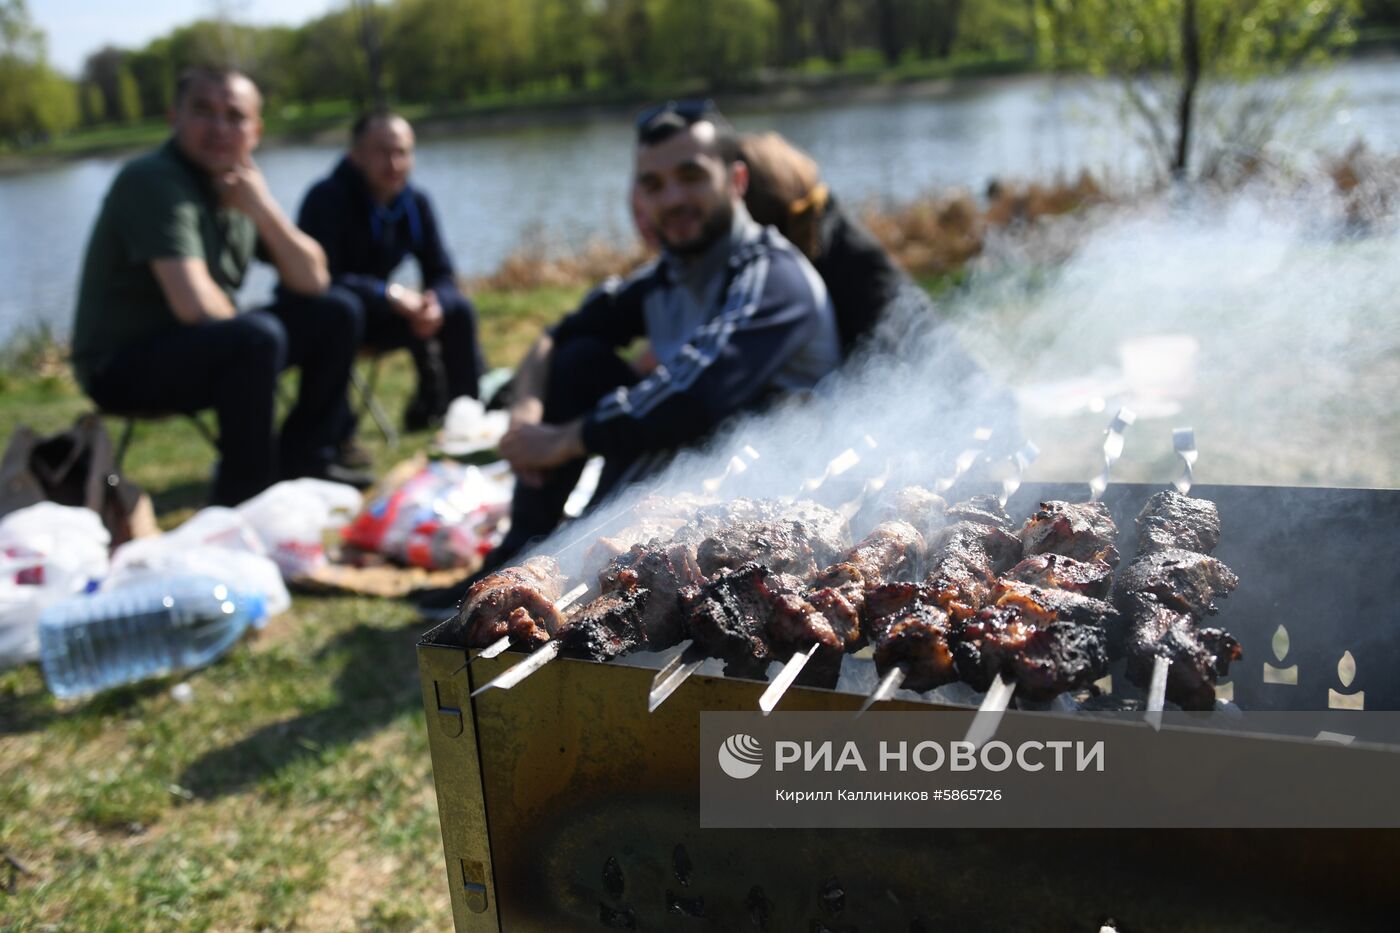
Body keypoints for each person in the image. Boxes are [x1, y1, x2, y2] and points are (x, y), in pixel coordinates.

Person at [419, 101, 841, 613]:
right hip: (697, 466)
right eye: (654, 185)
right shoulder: (668, 277)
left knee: (661, 416)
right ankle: (523, 552)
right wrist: (527, 420)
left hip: (780, 493)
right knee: (578, 360)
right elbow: (555, 336)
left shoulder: (772, 275)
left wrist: (564, 440)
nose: (672, 198)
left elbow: (697, 393)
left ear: (736, 180)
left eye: (690, 176)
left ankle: (571, 564)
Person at [71, 66, 370, 506]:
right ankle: (246, 496)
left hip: (198, 347)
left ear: (256, 129)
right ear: (175, 117)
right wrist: (261, 336)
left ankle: (306, 461)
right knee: (255, 338)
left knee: (337, 311)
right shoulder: (152, 179)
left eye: (235, 116)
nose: (219, 127)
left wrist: (262, 207)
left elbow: (314, 279)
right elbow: (195, 306)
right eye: (203, 111)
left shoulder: (238, 186)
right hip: (119, 365)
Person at [296, 111, 485, 430]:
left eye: (402, 152)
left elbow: (441, 271)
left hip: (381, 312)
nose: (394, 163)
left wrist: (434, 303)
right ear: (355, 155)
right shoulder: (326, 199)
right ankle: (333, 436)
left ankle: (465, 416)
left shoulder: (415, 202)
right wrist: (389, 295)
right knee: (343, 311)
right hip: (332, 317)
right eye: (382, 152)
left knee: (458, 310)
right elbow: (320, 279)